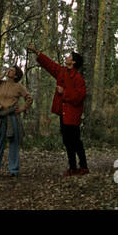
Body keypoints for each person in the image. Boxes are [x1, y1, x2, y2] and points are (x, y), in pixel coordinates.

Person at [27, 45, 88, 176]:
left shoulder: (78, 78)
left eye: (69, 57)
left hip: (72, 115)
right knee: (67, 141)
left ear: (74, 62)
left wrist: (64, 92)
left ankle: (83, 166)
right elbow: (51, 65)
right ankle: (72, 168)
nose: (67, 57)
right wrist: (37, 52)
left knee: (76, 141)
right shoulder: (62, 72)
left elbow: (79, 96)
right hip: (63, 114)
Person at [0, 64, 32, 177]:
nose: (9, 70)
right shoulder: (1, 84)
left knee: (13, 142)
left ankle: (14, 170)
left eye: (12, 70)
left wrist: (22, 108)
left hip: (12, 117)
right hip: (1, 116)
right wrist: (1, 76)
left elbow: (29, 98)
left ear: (15, 76)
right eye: (9, 69)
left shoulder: (19, 86)